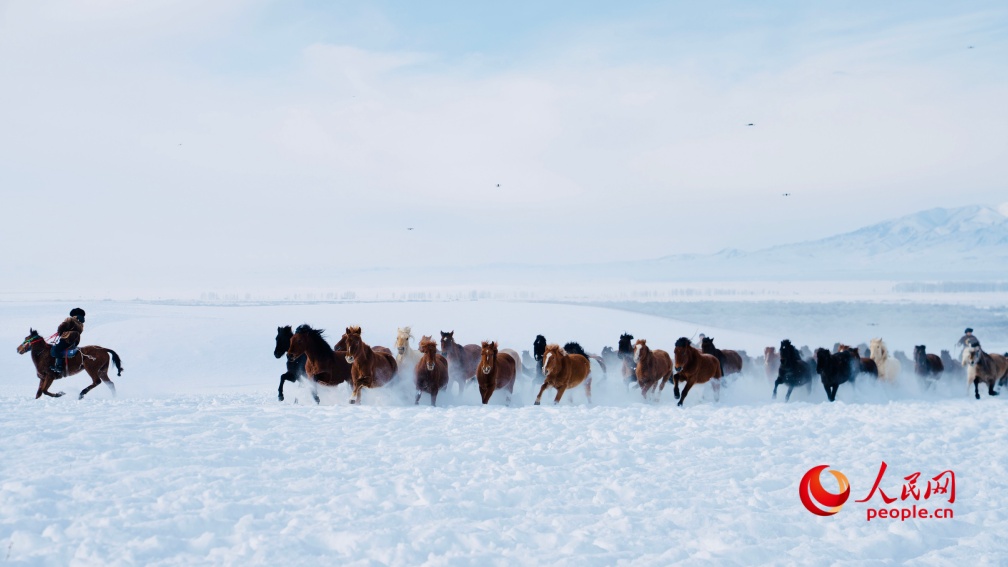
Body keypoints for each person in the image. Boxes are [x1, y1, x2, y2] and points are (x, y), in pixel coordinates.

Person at [50, 307, 85, 375]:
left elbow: (62, 326)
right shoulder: (81, 324)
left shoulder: (70, 319)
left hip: (67, 337)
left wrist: (60, 332)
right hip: (75, 339)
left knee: (57, 349)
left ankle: (59, 366)